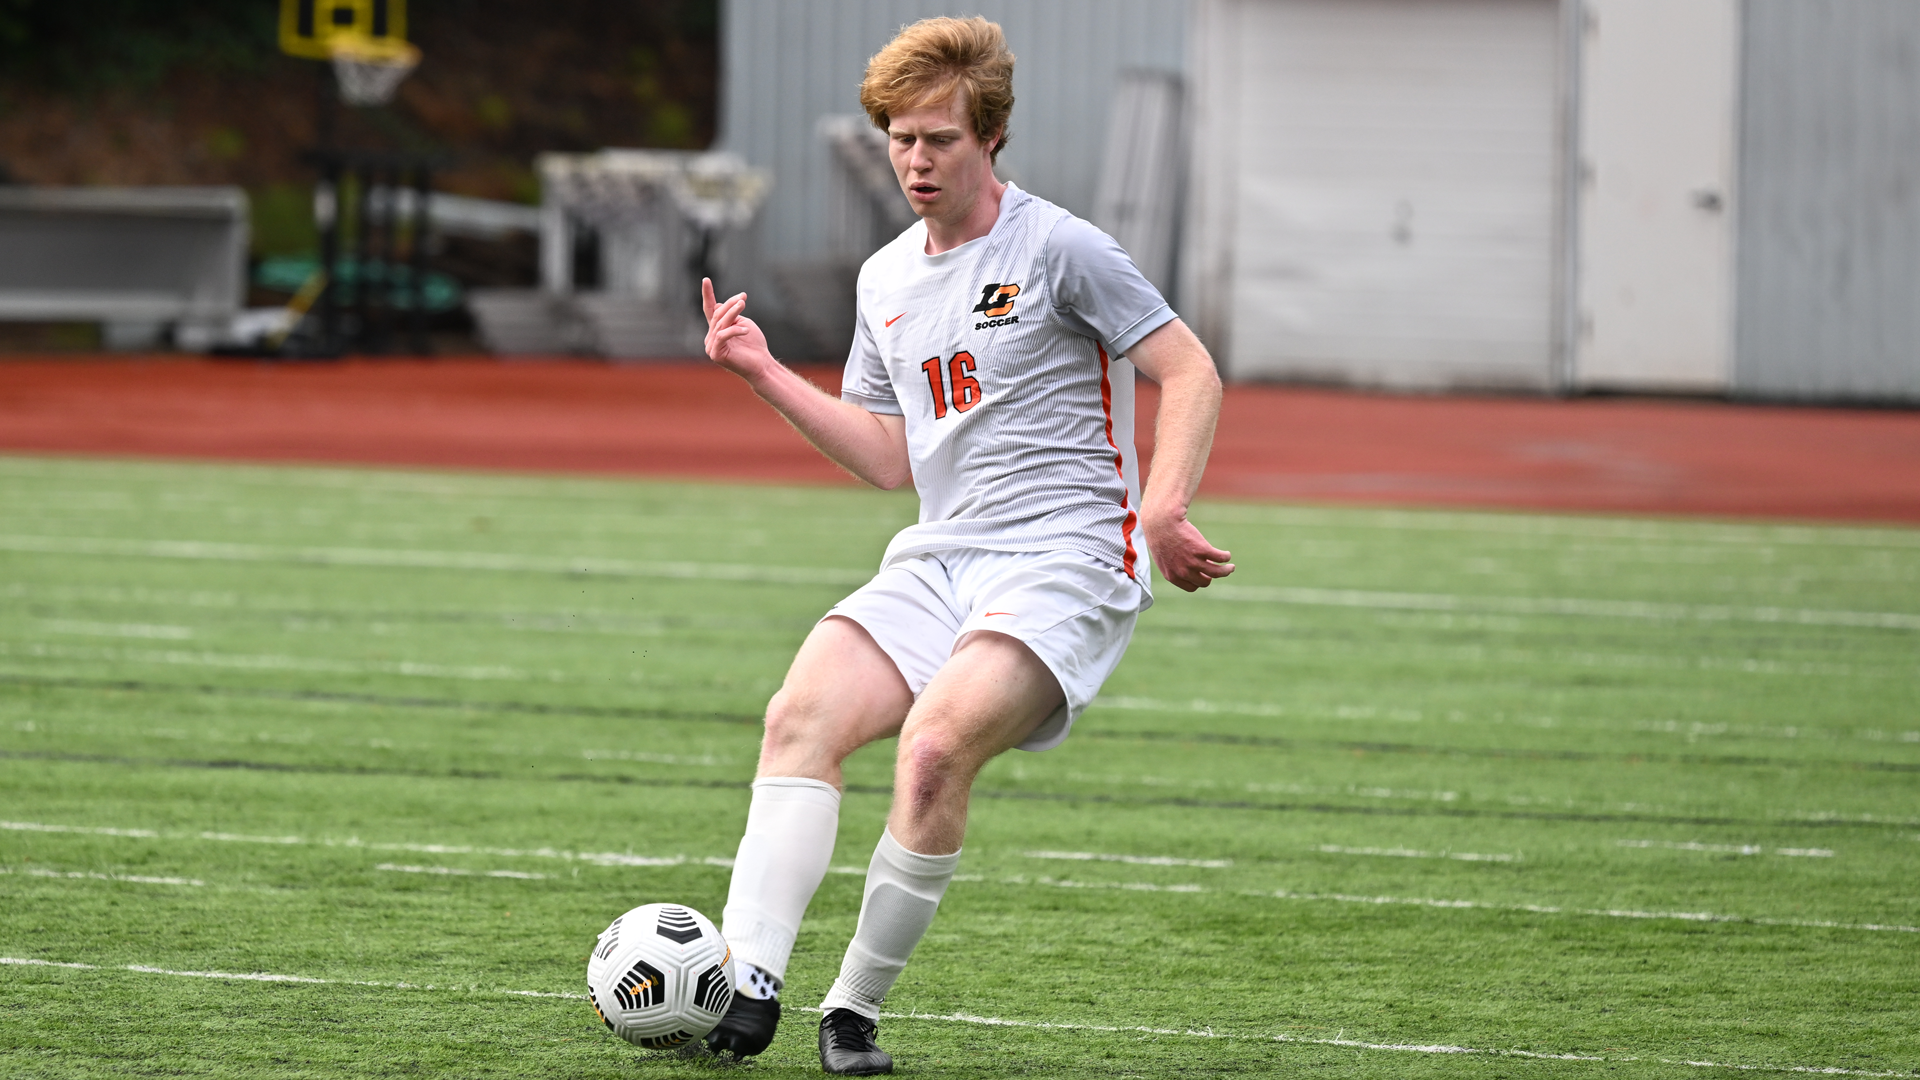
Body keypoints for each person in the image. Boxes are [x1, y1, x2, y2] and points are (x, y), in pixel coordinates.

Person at [694, 16, 1233, 1076]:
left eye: (939, 137)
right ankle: (745, 986)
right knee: (797, 719)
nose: (915, 159)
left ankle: (850, 1010)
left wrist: (1165, 507)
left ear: (990, 137)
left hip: (1068, 560)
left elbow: (1192, 369)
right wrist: (763, 371)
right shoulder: (885, 279)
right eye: (900, 138)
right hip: (941, 556)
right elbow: (892, 460)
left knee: (934, 751)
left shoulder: (1060, 247)